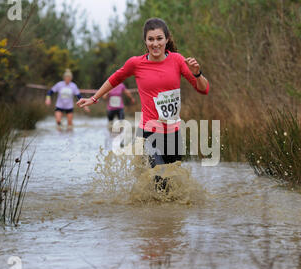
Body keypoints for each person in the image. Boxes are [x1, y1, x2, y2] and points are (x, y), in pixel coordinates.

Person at [78, 18, 209, 187]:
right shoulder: (136, 63)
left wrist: (197, 73)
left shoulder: (177, 60)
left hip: (174, 133)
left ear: (167, 39)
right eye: (151, 39)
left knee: (172, 183)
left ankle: (165, 212)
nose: (155, 44)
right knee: (160, 176)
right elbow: (115, 78)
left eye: (159, 38)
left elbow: (203, 89)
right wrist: (94, 98)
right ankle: (152, 211)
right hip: (149, 132)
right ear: (145, 41)